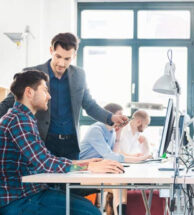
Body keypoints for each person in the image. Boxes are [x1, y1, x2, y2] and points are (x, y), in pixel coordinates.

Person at [0, 70, 124, 215]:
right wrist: (88, 166)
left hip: (28, 193)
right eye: (45, 90)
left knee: (87, 207)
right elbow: (45, 163)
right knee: (90, 212)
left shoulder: (22, 118)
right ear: (29, 92)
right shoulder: (19, 121)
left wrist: (86, 163)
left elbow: (43, 160)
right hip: (19, 199)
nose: (49, 96)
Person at [0, 32, 128, 160]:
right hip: (44, 141)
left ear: (74, 56)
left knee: (72, 177)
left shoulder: (79, 75)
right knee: (44, 178)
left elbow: (89, 105)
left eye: (67, 59)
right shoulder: (33, 73)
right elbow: (10, 101)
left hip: (71, 143)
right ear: (51, 51)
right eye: (58, 56)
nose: (61, 63)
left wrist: (111, 118)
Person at [79, 104, 151, 215]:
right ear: (109, 116)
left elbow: (115, 154)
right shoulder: (96, 130)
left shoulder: (112, 131)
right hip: (82, 173)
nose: (123, 119)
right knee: (119, 183)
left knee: (121, 183)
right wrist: (139, 159)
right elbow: (110, 156)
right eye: (119, 115)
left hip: (96, 172)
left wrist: (118, 134)